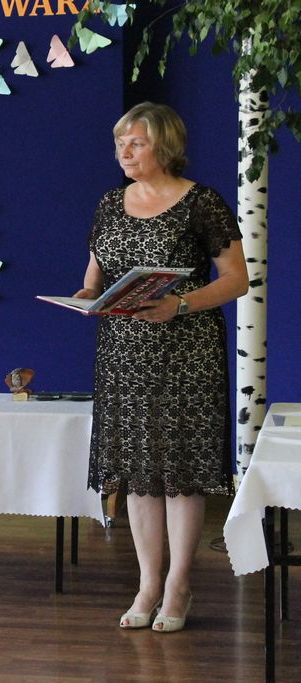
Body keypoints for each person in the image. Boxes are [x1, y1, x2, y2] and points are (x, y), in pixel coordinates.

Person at [75, 102, 248, 633]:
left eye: (137, 143)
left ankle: (178, 585)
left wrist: (181, 304)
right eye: (120, 143)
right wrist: (84, 298)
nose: (124, 152)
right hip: (124, 354)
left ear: (165, 146)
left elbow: (237, 279)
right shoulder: (110, 202)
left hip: (186, 353)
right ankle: (148, 584)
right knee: (138, 473)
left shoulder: (202, 203)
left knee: (180, 472)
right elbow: (93, 279)